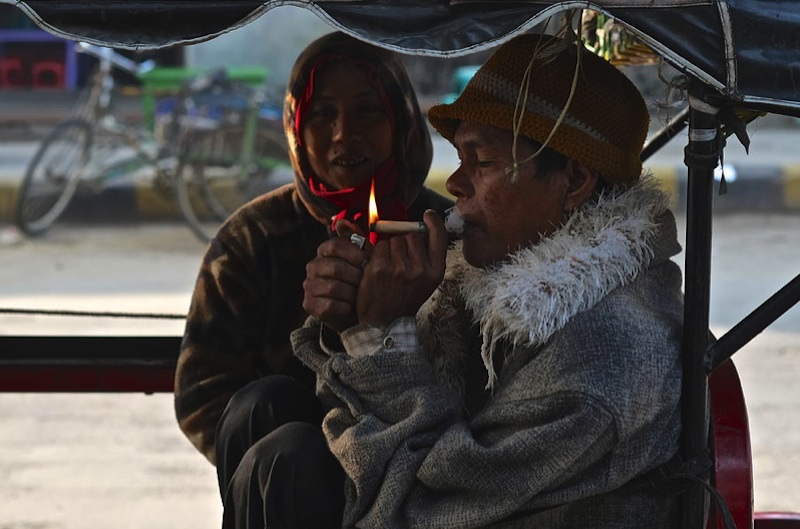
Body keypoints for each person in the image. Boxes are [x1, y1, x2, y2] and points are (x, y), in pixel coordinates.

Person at [291, 32, 685, 528]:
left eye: (483, 162)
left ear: (575, 182)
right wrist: (355, 321)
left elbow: (413, 512)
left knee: (288, 462)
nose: (455, 186)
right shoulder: (491, 285)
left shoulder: (599, 359)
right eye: (460, 160)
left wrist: (384, 338)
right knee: (273, 424)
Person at [172, 31, 453, 527]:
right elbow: (204, 391)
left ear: (402, 120)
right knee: (271, 419)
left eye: (368, 110)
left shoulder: (446, 236)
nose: (346, 133)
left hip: (422, 476)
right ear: (295, 127)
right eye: (323, 114)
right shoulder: (252, 237)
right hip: (277, 485)